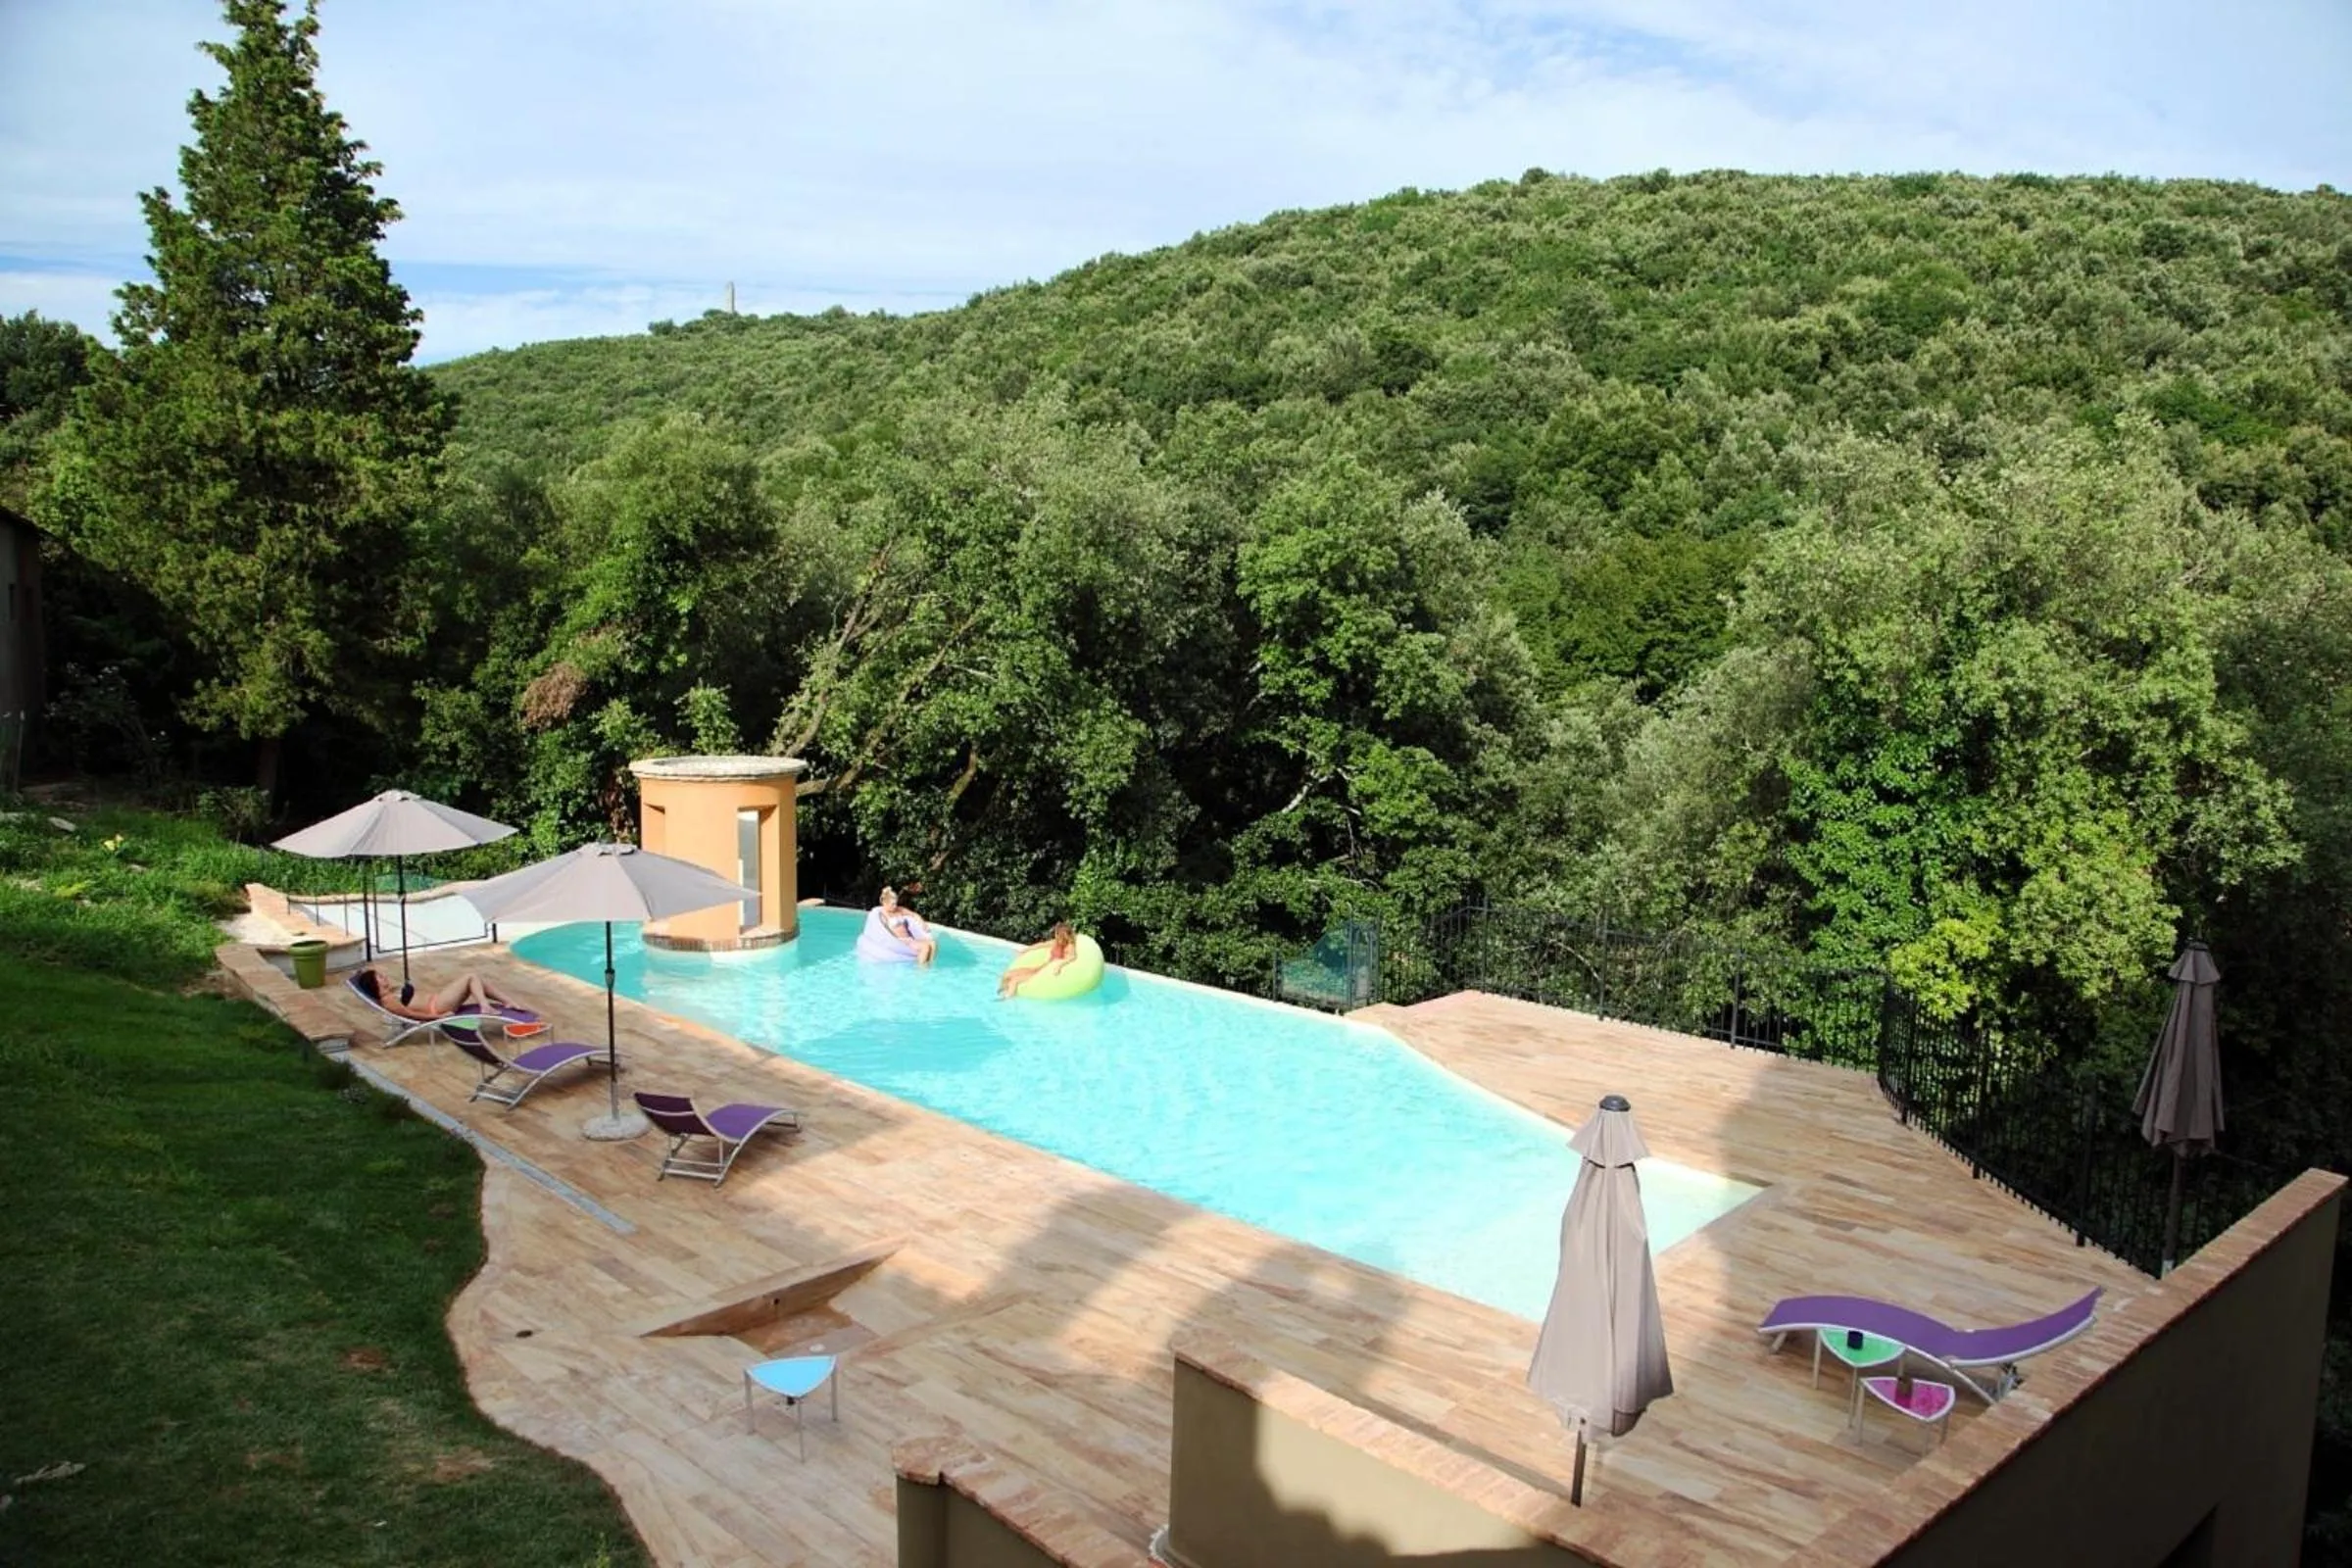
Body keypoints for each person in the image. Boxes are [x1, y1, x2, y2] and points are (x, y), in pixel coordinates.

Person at [357, 965, 530, 1024]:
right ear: (374, 984)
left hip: (438, 1001)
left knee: (476, 981)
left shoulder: (390, 992)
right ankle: (486, 1007)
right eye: (379, 977)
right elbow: (411, 1015)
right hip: (438, 1007)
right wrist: (438, 1018)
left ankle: (508, 1002)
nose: (383, 976)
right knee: (471, 976)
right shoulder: (388, 1001)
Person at [999, 921, 1077, 998]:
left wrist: (1059, 966)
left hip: (1045, 973)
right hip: (1041, 967)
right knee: (1007, 974)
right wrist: (1025, 950)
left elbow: (1072, 957)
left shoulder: (1069, 946)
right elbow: (1041, 945)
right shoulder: (1056, 942)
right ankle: (1001, 992)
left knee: (1015, 980)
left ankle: (1006, 1000)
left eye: (1056, 933)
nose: (1055, 935)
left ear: (1061, 935)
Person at [877, 885, 937, 965]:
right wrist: (893, 939)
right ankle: (921, 972)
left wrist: (922, 923)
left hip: (909, 939)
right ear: (885, 903)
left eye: (896, 903)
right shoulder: (883, 914)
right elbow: (883, 928)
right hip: (899, 941)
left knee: (933, 943)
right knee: (925, 947)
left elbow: (914, 915)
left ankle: (929, 965)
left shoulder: (899, 909)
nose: (895, 906)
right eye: (892, 904)